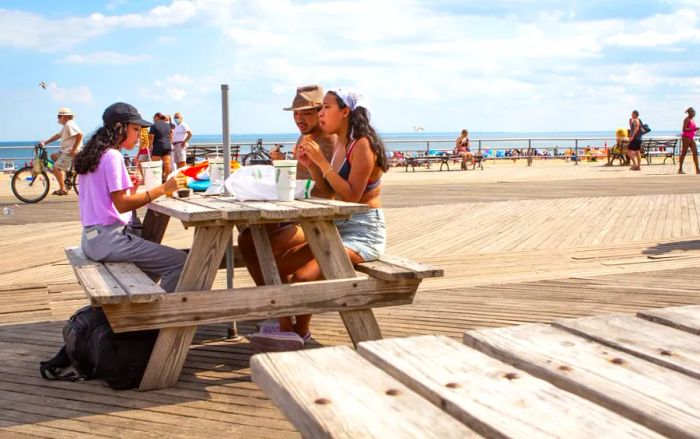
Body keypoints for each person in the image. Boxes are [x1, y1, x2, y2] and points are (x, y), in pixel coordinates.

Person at [246, 87, 388, 352]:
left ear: (345, 112)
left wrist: (322, 163)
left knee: (301, 277)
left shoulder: (363, 146)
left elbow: (351, 198)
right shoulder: (342, 143)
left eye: (326, 108)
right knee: (275, 264)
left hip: (363, 232)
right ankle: (289, 330)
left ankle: (294, 332)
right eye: (320, 108)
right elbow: (326, 192)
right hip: (335, 225)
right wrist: (312, 163)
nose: (321, 113)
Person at [237, 85, 336, 325]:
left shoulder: (329, 140)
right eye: (296, 114)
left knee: (266, 245)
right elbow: (302, 176)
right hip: (298, 212)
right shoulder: (305, 137)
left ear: (319, 111)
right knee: (248, 239)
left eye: (306, 113)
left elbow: (327, 191)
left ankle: (278, 310)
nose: (299, 119)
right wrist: (280, 165)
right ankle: (274, 306)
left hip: (323, 219)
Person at [74, 102, 188, 293]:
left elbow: (104, 201)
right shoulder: (113, 156)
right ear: (120, 127)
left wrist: (132, 191)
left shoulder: (95, 154)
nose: (139, 136)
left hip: (91, 238)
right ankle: (162, 317)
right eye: (136, 129)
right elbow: (121, 205)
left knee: (151, 266)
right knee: (180, 263)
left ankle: (142, 310)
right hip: (109, 239)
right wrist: (165, 188)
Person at [40, 107, 83, 195]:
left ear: (64, 117)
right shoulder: (66, 125)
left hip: (70, 152)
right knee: (53, 156)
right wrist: (45, 142)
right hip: (65, 151)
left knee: (56, 168)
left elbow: (80, 134)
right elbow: (58, 136)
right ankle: (69, 173)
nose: (58, 118)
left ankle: (63, 189)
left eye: (59, 116)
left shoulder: (69, 124)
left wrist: (74, 149)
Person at [148, 112, 173, 178]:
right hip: (167, 146)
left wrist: (150, 146)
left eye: (154, 117)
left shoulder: (154, 125)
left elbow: (151, 137)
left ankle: (157, 178)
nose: (153, 119)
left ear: (157, 118)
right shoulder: (168, 125)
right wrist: (169, 143)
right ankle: (166, 178)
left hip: (158, 146)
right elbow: (171, 135)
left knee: (155, 164)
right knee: (167, 163)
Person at [679, 107, 700, 174]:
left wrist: (695, 129)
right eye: (693, 112)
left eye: (694, 112)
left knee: (695, 153)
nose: (694, 113)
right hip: (686, 138)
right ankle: (680, 169)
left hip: (691, 138)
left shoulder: (692, 119)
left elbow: (692, 128)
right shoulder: (686, 119)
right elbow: (684, 129)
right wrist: (694, 129)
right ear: (689, 113)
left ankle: (697, 170)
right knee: (684, 153)